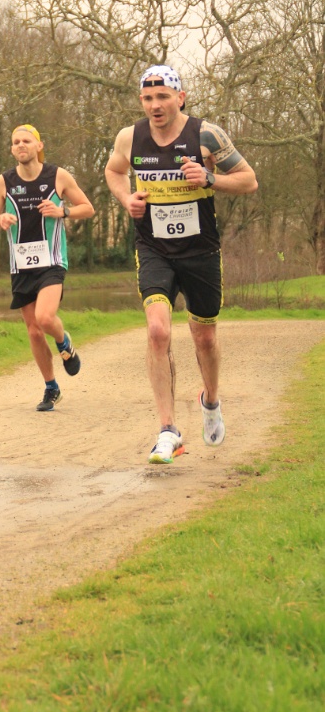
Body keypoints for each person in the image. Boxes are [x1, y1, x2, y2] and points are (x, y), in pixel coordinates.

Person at [105, 65, 258, 464]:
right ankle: (168, 430)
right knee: (158, 331)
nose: (155, 105)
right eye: (147, 98)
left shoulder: (207, 135)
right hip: (154, 248)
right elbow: (114, 171)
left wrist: (209, 178)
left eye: (163, 97)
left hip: (200, 251)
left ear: (181, 98)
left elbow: (248, 180)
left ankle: (210, 401)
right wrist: (126, 199)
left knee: (204, 337)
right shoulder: (129, 137)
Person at [0, 124, 95, 411]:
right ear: (12, 149)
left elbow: (87, 208)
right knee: (34, 331)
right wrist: (0, 220)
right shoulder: (4, 182)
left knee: (45, 318)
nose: (21, 145)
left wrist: (62, 211)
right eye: (15, 142)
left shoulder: (58, 176)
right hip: (21, 264)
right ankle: (51, 387)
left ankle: (64, 341)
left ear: (38, 146)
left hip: (52, 261)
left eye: (26, 140)